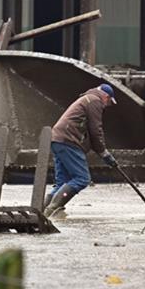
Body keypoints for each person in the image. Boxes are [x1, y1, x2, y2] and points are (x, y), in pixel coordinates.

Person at [44, 83, 118, 218]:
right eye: (109, 102)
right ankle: (53, 209)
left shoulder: (86, 99)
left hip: (58, 139)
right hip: (68, 140)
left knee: (61, 182)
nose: (107, 105)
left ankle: (43, 210)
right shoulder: (95, 101)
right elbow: (96, 130)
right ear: (106, 97)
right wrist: (104, 153)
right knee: (82, 178)